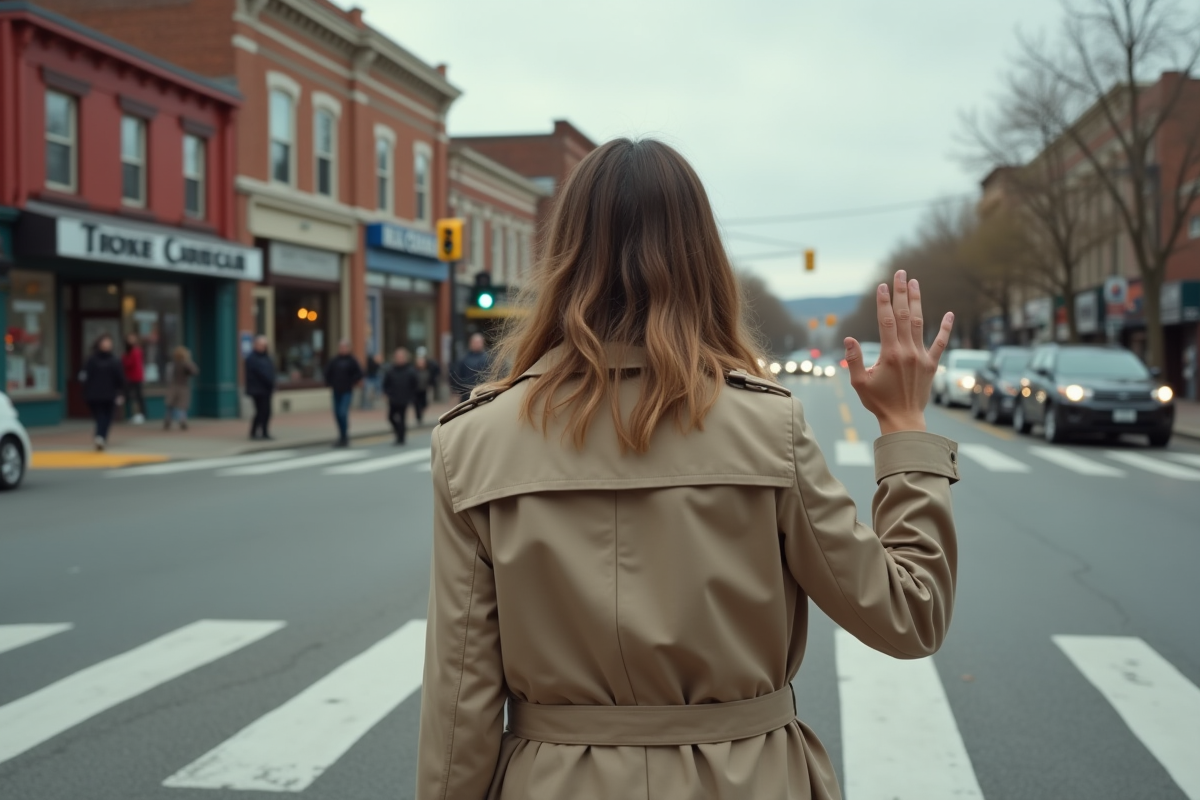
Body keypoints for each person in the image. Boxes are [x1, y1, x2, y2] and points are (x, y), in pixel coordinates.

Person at [416, 139, 960, 800]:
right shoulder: (769, 428)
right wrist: (904, 427)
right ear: (702, 260)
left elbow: (458, 702)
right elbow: (909, 615)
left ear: (562, 257)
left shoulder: (472, 440)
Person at [80, 334, 125, 451]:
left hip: (110, 394)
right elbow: (85, 376)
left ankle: (101, 437)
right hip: (94, 394)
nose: (107, 345)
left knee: (107, 417)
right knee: (100, 416)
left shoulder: (114, 360)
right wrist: (85, 391)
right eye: (105, 343)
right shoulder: (92, 359)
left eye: (109, 343)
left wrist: (121, 393)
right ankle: (100, 437)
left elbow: (120, 378)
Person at [324, 339, 363, 447]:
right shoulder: (334, 360)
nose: (342, 349)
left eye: (344, 347)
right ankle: (341, 435)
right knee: (337, 414)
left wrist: (352, 381)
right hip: (336, 390)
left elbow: (359, 373)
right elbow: (327, 372)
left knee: (342, 412)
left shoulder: (352, 361)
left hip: (347, 391)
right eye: (340, 347)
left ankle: (345, 436)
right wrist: (329, 382)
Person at [382, 347, 419, 445]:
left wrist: (412, 397)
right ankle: (398, 432)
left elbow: (415, 385)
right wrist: (386, 393)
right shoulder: (391, 370)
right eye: (397, 357)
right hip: (393, 398)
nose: (399, 359)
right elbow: (386, 383)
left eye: (401, 357)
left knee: (402, 418)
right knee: (391, 417)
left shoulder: (410, 371)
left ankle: (401, 438)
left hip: (404, 398)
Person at [245, 335, 276, 440]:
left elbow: (271, 371)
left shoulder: (266, 357)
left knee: (266, 412)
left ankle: (264, 432)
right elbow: (260, 373)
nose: (263, 347)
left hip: (266, 389)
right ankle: (255, 432)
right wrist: (269, 381)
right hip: (257, 389)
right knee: (260, 411)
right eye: (261, 345)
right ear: (256, 345)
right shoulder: (252, 358)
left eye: (265, 345)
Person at [163, 346, 199, 431]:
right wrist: (189, 362)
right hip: (183, 387)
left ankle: (168, 419)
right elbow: (195, 371)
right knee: (182, 406)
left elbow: (168, 375)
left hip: (173, 386)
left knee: (170, 405)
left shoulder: (172, 364)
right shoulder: (186, 364)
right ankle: (182, 420)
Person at [449, 332, 490, 402]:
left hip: (482, 392)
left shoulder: (488, 358)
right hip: (466, 393)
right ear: (471, 343)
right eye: (475, 342)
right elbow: (457, 374)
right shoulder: (464, 359)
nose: (477, 344)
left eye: (479, 342)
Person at [121, 333, 146, 424]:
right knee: (129, 397)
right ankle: (130, 415)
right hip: (129, 377)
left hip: (135, 377)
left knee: (138, 396)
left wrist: (124, 358)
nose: (130, 341)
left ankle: (141, 415)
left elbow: (130, 363)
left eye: (132, 339)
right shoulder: (129, 351)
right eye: (129, 339)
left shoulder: (136, 351)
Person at [412, 352, 434, 425]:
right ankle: (418, 417)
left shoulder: (427, 371)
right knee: (416, 404)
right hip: (416, 390)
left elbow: (430, 379)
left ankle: (420, 413)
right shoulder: (414, 371)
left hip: (424, 390)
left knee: (424, 403)